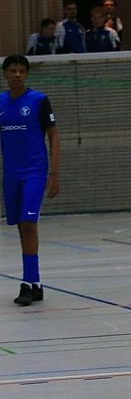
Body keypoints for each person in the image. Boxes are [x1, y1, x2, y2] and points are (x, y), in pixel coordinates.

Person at [0, 55, 61, 306]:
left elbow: (54, 136)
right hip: (11, 174)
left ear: (26, 74)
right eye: (13, 70)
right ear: (5, 73)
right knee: (20, 225)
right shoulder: (1, 102)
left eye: (22, 71)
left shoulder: (38, 100)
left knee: (28, 223)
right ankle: (36, 284)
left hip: (34, 171)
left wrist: (53, 174)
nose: (17, 74)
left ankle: (27, 283)